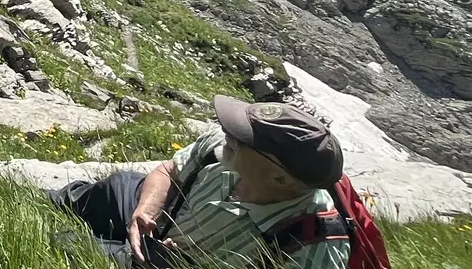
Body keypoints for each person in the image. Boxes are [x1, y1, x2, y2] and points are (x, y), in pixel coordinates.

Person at [50, 97, 351, 268]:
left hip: (168, 261)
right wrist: (146, 210)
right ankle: (47, 199)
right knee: (111, 188)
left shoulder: (313, 247)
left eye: (244, 138)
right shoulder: (222, 148)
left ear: (279, 177)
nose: (228, 134)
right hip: (159, 216)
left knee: (68, 245)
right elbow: (170, 171)